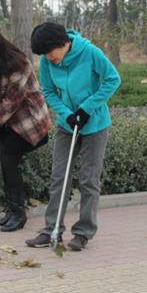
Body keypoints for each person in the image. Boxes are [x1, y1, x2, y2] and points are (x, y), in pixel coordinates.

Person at [25, 22, 121, 251]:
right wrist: (67, 114)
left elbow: (112, 79)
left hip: (95, 124)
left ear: (63, 43)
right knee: (59, 176)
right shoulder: (48, 61)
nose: (48, 58)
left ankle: (83, 232)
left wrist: (86, 109)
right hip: (67, 125)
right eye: (44, 55)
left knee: (89, 179)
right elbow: (48, 91)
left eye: (50, 52)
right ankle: (51, 230)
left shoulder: (90, 52)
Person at [0, 24, 51, 232]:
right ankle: (12, 210)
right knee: (6, 162)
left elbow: (11, 103)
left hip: (29, 121)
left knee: (8, 160)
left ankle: (18, 214)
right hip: (6, 122)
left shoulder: (19, 64)